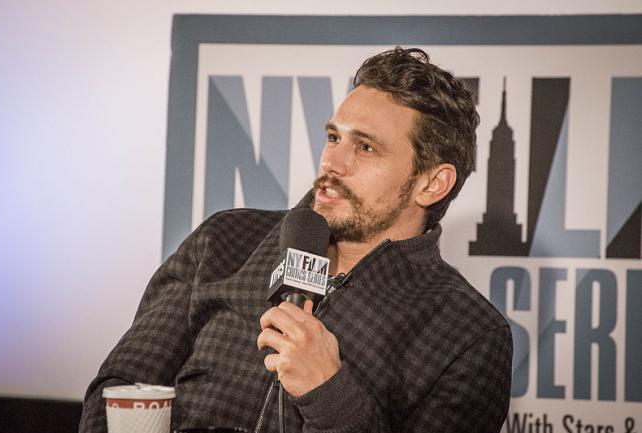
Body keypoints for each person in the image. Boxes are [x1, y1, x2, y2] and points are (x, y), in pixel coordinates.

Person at [80, 47, 512, 433]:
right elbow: (121, 387)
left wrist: (329, 393)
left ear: (433, 184)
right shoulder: (224, 240)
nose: (332, 162)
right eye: (333, 137)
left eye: (365, 148)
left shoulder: (469, 334)